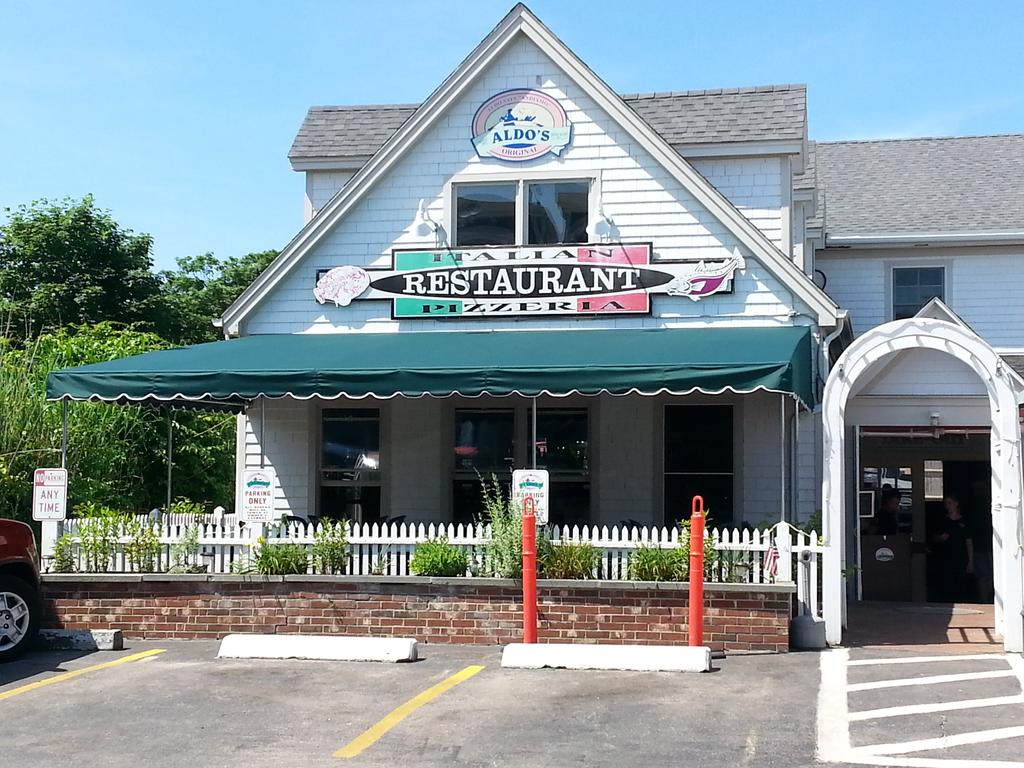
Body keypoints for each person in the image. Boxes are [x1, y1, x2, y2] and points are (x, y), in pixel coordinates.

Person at [932, 494, 976, 602]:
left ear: (956, 504)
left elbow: (969, 542)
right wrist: (940, 538)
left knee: (961, 583)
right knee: (946, 583)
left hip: (961, 557)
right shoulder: (942, 520)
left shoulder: (965, 521)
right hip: (945, 557)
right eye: (946, 503)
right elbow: (934, 538)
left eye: (950, 503)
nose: (947, 506)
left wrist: (970, 562)